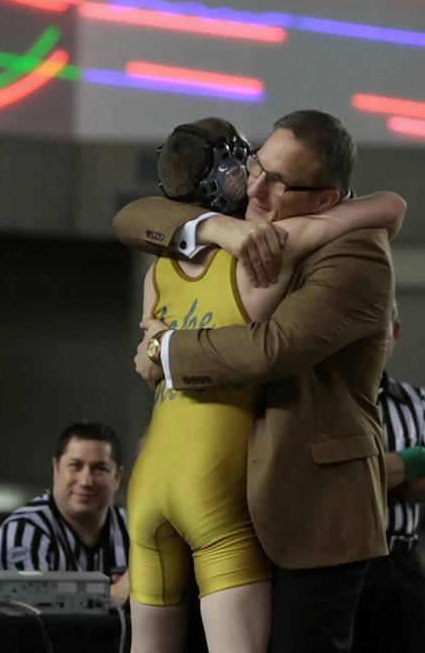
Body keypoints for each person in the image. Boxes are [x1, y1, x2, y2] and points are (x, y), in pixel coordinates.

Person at [115, 110, 396, 652]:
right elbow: (132, 218)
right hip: (222, 499)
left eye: (280, 180)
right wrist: (217, 225)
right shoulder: (239, 229)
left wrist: (164, 347)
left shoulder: (357, 251)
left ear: (325, 200)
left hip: (308, 513)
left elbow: (273, 349)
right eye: (256, 166)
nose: (256, 186)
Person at [352, 299, 425, 653]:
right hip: (339, 564)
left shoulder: (415, 402)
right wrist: (412, 461)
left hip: (399, 565)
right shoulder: (322, 399)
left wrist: (365, 473)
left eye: (377, 330)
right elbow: (320, 483)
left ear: (394, 334)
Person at [0, 421, 130, 609]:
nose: (86, 481)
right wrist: (110, 595)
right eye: (75, 465)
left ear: (118, 477)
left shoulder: (137, 529)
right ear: (56, 468)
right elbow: (28, 605)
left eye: (100, 469)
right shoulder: (24, 529)